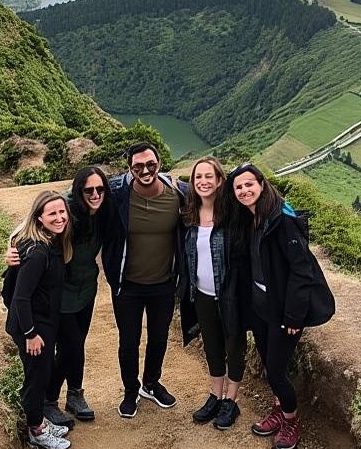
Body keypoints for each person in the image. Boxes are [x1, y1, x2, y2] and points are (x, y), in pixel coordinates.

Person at [227, 163, 335, 449]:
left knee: (276, 371)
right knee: (268, 363)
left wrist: (294, 316)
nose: (244, 190)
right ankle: (278, 408)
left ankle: (290, 420)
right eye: (238, 187)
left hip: (283, 311)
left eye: (249, 184)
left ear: (262, 184)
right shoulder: (249, 218)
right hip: (260, 307)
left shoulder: (282, 219)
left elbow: (302, 271)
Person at [104, 142, 188, 418]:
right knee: (129, 341)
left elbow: (216, 202)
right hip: (127, 285)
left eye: (150, 164)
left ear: (159, 163)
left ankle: (151, 383)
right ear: (129, 168)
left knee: (159, 338)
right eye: (137, 166)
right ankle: (131, 390)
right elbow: (74, 201)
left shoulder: (178, 194)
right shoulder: (117, 194)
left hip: (163, 283)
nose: (145, 170)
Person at [180, 157, 247, 430]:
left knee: (234, 345)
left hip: (231, 295)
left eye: (209, 176)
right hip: (202, 294)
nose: (203, 182)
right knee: (212, 346)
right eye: (198, 177)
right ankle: (215, 395)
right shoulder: (189, 215)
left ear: (220, 180)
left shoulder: (233, 215)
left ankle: (231, 399)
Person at [41, 166, 110, 427]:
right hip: (62, 292)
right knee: (69, 346)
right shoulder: (66, 210)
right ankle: (48, 400)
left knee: (77, 343)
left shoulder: (103, 211)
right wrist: (12, 250)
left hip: (87, 288)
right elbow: (29, 227)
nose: (95, 194)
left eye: (100, 189)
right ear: (78, 190)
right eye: (88, 190)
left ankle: (75, 394)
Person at [6, 190, 74, 449]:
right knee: (37, 378)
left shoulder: (48, 242)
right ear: (39, 218)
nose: (59, 217)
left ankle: (39, 421)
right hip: (32, 325)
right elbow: (21, 298)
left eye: (62, 211)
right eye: (52, 213)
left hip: (40, 321)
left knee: (40, 373)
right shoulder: (37, 252)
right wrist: (31, 334)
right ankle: (36, 430)